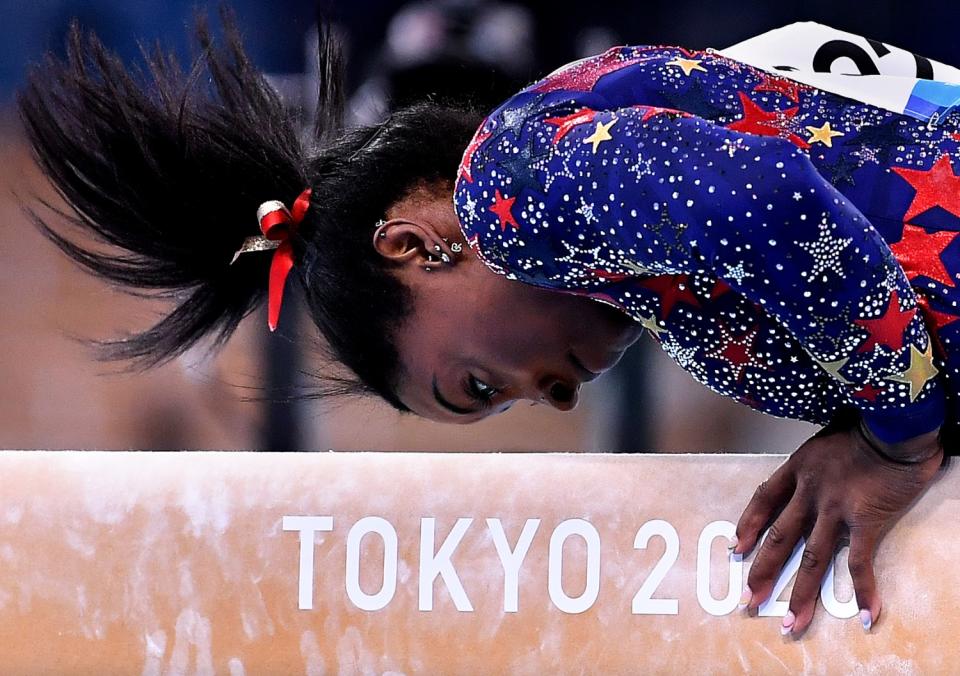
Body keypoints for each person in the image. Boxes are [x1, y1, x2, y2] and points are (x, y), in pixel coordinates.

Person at [19, 19, 956, 638]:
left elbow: (774, 202)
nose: (552, 396)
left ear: (416, 244)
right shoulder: (657, 285)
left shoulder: (510, 184)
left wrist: (895, 440)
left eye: (477, 386)